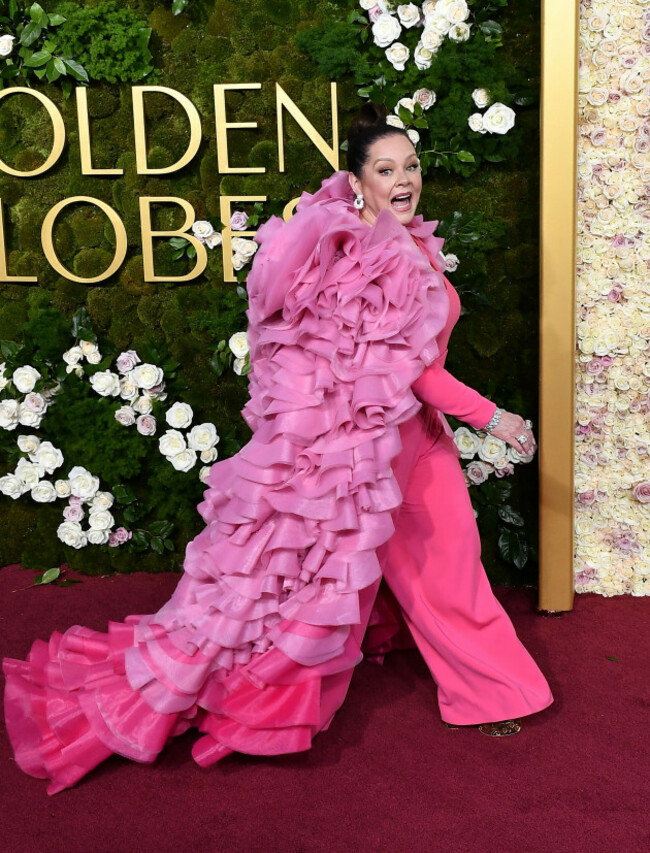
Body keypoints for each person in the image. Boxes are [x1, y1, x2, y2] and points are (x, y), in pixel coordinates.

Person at [2, 104, 552, 795]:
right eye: (386, 170)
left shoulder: (408, 242)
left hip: (418, 439)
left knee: (450, 566)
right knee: (327, 589)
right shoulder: (368, 251)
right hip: (372, 458)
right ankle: (265, 698)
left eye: (410, 166)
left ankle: (492, 692)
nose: (405, 180)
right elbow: (415, 369)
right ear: (357, 182)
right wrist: (494, 417)